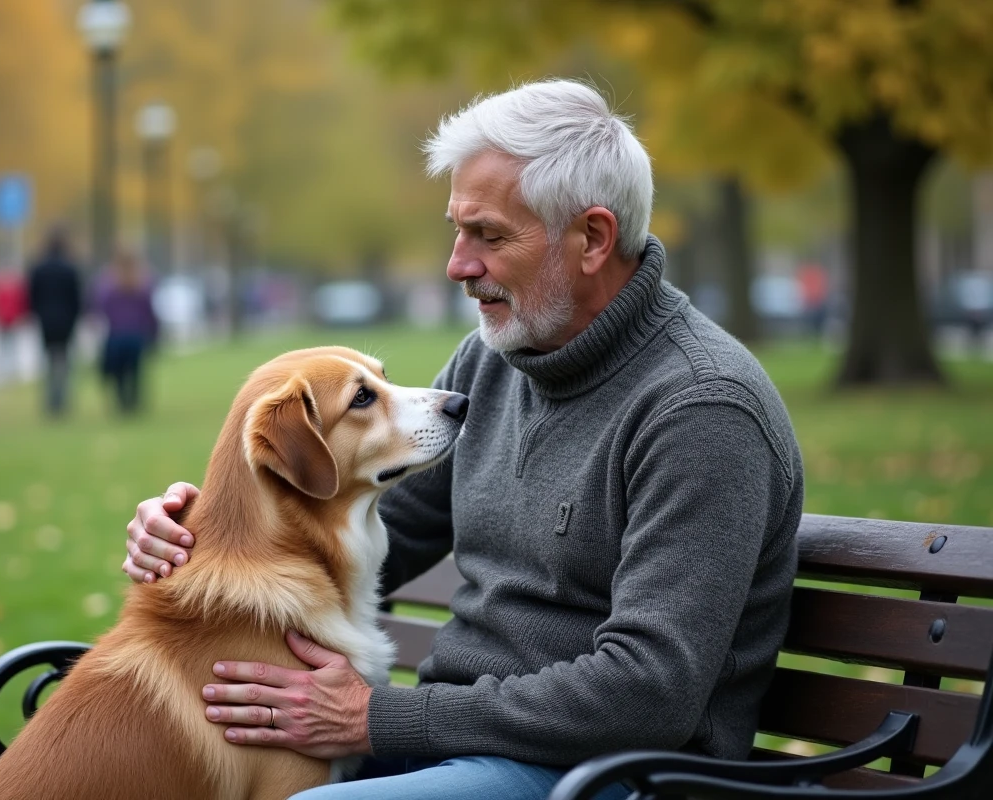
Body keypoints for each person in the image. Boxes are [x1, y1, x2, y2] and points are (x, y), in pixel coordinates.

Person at [123, 80, 805, 800]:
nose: (458, 264)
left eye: (489, 235)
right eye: (457, 229)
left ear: (593, 239)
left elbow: (648, 691)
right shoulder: (497, 358)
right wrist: (202, 531)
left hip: (613, 776)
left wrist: (379, 719)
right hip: (457, 748)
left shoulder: (702, 409)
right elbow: (377, 532)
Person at [93, 249, 159, 414]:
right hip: (136, 335)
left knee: (119, 373)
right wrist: (153, 331)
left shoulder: (108, 283)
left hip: (116, 334)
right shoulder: (142, 282)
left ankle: (122, 402)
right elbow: (148, 311)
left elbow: (102, 306)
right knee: (134, 371)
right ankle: (133, 402)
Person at [27, 227, 83, 417]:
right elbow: (76, 298)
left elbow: (32, 296)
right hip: (66, 321)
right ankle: (62, 399)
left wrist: (37, 314)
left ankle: (51, 400)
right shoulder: (69, 269)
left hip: (46, 321)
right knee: (64, 361)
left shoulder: (39, 269)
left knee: (49, 361)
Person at [0, 263, 29, 381]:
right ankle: (6, 369)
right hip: (4, 320)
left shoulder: (2, 287)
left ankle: (9, 369)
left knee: (8, 345)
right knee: (6, 346)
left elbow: (20, 303)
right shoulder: (5, 287)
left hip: (8, 319)